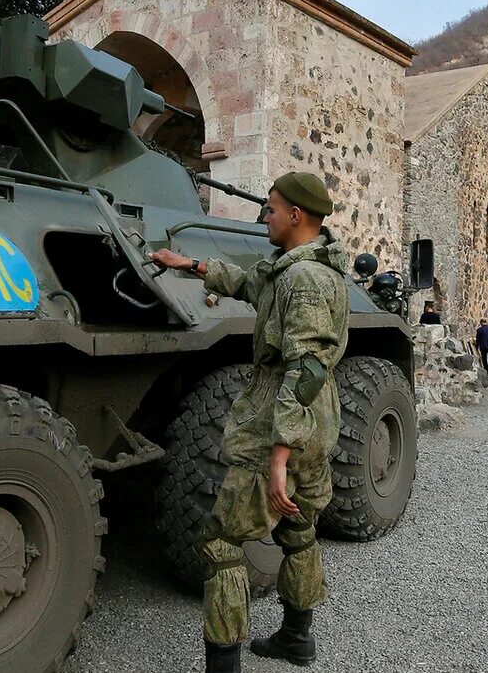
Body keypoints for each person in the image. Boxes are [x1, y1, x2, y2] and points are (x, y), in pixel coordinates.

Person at [149, 172, 347, 672]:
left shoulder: (303, 281)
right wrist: (188, 264)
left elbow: (307, 367)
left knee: (221, 543)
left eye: (271, 209)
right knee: (299, 530)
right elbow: (246, 283)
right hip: (315, 425)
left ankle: (224, 667)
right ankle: (296, 640)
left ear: (296, 216)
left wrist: (278, 453)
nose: (264, 216)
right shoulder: (305, 270)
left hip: (279, 428)